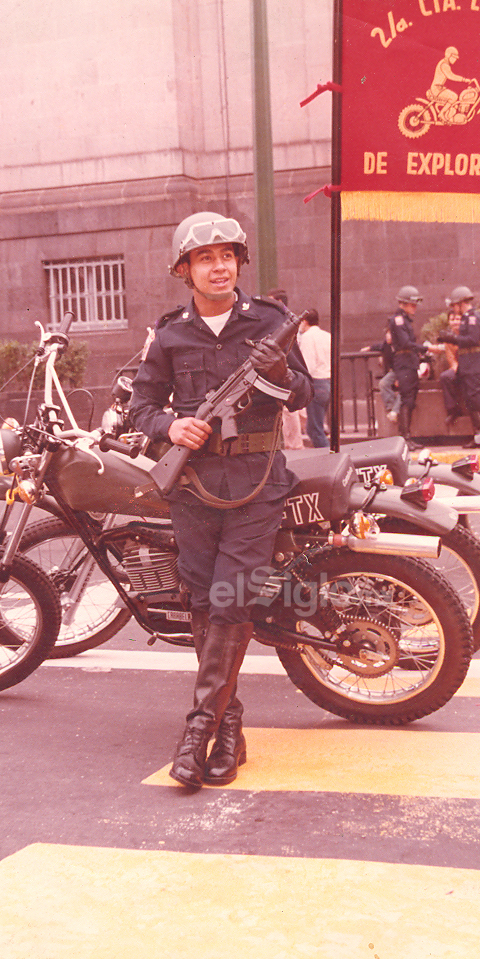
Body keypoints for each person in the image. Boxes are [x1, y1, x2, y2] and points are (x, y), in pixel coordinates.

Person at [129, 211, 312, 789]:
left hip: (257, 483)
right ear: (185, 270)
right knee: (204, 599)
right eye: (206, 258)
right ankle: (229, 727)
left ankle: (198, 727)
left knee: (233, 599)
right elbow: (139, 407)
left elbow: (304, 393)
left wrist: (279, 368)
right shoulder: (169, 333)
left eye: (228, 256)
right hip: (193, 488)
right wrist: (169, 428)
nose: (219, 266)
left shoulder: (271, 322)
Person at [438, 285, 480, 448]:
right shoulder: (465, 317)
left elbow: (472, 339)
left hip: (475, 364)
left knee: (477, 399)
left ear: (461, 303)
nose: (453, 309)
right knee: (470, 401)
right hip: (467, 363)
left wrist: (451, 338)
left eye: (454, 305)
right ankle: (479, 435)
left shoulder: (473, 317)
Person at [387, 284, 428, 447]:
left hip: (408, 362)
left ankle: (407, 437)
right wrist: (426, 348)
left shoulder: (404, 320)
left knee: (410, 400)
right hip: (404, 362)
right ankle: (405, 438)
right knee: (407, 399)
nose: (415, 307)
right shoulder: (398, 320)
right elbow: (405, 343)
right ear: (403, 304)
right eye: (412, 304)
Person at [266, 288, 304, 450]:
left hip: (285, 371)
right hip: (283, 370)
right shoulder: (284, 319)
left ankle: (294, 443)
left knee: (291, 412)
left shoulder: (284, 320)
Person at [297, 308, 331, 448]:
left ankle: (329, 456)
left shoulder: (307, 338)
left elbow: (307, 364)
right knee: (315, 427)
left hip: (316, 383)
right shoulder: (327, 336)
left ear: (305, 322)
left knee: (315, 429)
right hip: (328, 381)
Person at [362, 330, 399, 423]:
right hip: (393, 371)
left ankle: (395, 409)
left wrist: (399, 378)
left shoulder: (400, 346)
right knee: (383, 383)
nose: (388, 337)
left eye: (390, 335)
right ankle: (391, 406)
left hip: (402, 371)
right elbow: (378, 346)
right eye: (387, 335)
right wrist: (368, 348)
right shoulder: (386, 345)